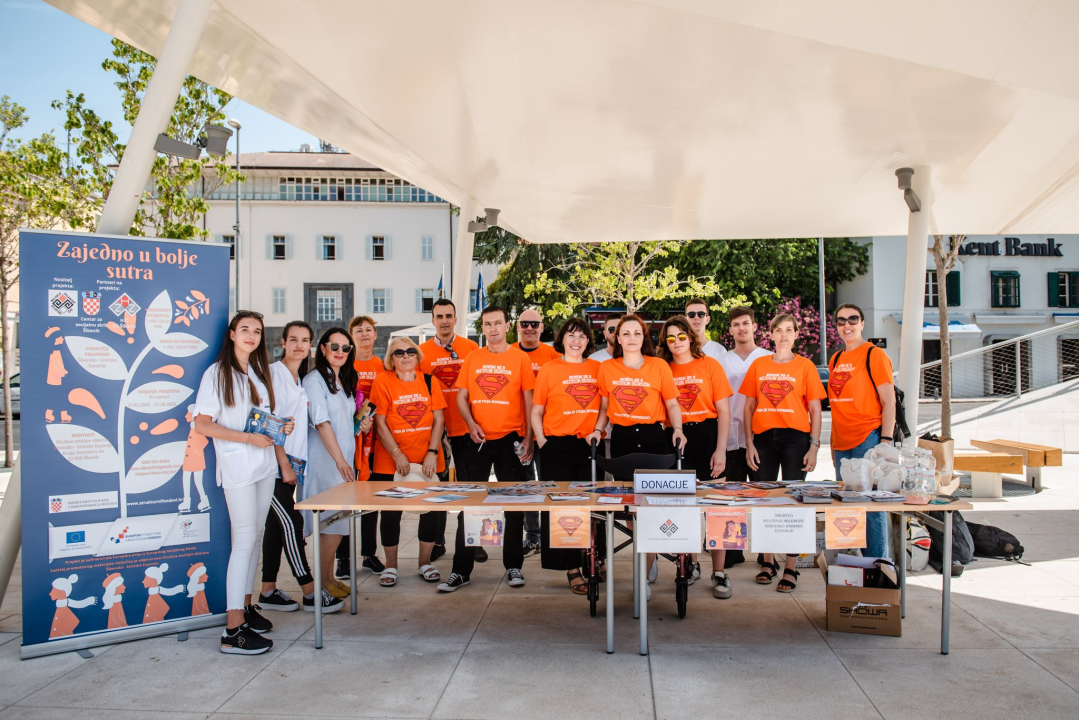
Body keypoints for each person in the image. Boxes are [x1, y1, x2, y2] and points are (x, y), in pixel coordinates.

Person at [194, 310, 292, 655]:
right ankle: (232, 629)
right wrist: (247, 440)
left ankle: (247, 609)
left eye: (257, 331)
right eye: (245, 329)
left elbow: (259, 421)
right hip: (237, 469)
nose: (252, 335)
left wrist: (279, 427)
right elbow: (202, 424)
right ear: (232, 334)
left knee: (257, 538)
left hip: (263, 467)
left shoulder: (258, 373)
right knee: (244, 541)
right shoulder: (217, 373)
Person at [437, 306, 536, 592]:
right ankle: (460, 571)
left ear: (508, 326)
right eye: (487, 324)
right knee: (470, 505)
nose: (492, 328)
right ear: (483, 328)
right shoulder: (473, 358)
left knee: (514, 506)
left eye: (497, 323)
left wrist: (528, 437)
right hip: (478, 439)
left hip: (511, 438)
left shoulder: (519, 358)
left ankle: (514, 566)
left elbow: (529, 401)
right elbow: (461, 397)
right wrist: (469, 423)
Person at [587, 314, 685, 597]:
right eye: (625, 333)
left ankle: (644, 569)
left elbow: (672, 404)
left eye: (637, 333)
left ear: (645, 337)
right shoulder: (607, 368)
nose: (631, 338)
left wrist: (677, 429)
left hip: (654, 438)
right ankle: (646, 554)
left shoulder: (659, 366)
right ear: (617, 338)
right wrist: (597, 430)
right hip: (624, 440)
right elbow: (605, 409)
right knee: (632, 507)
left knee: (652, 508)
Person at [258, 321, 344, 615]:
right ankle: (310, 592)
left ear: (310, 346)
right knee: (292, 526)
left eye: (304, 340)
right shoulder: (274, 374)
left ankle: (267, 590)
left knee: (274, 528)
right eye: (293, 339)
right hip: (273, 466)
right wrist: (284, 465)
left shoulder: (298, 379)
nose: (299, 345)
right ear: (282, 342)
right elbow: (270, 422)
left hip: (290, 466)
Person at [740, 313, 826, 594]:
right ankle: (766, 561)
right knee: (763, 500)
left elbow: (815, 410)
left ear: (797, 334)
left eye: (789, 330)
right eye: (779, 330)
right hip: (763, 438)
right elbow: (748, 407)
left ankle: (790, 565)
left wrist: (814, 446)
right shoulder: (759, 364)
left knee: (792, 502)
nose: (784, 335)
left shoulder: (806, 366)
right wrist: (749, 444)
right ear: (771, 335)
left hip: (795, 438)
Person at [658, 315, 733, 597]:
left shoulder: (710, 365)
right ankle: (690, 566)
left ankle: (720, 572)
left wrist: (721, 450)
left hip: (707, 434)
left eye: (681, 336)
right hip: (676, 439)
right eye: (670, 338)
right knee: (685, 509)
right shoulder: (661, 368)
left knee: (717, 508)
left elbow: (724, 412)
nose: (676, 342)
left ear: (691, 337)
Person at [531, 317, 603, 594]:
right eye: (571, 335)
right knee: (561, 509)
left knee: (590, 507)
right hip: (555, 447)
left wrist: (597, 430)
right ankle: (571, 568)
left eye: (582, 336)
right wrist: (541, 441)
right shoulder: (549, 369)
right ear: (562, 339)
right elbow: (537, 410)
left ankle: (592, 559)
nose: (576, 341)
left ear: (588, 342)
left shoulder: (598, 368)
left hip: (588, 446)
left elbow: (605, 407)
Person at [370, 336, 447, 586]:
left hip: (427, 459)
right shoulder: (383, 381)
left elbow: (438, 420)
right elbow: (379, 422)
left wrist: (432, 453)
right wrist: (396, 453)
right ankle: (391, 566)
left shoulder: (429, 381)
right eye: (399, 352)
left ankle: (425, 562)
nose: (405, 356)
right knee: (391, 514)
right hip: (390, 460)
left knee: (429, 512)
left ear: (417, 355)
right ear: (391, 359)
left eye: (410, 352)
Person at [828, 303, 897, 560]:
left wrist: (885, 442)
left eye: (853, 319)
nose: (847, 325)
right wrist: (834, 444)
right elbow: (836, 406)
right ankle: (849, 566)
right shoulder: (836, 358)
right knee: (844, 506)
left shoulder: (873, 355)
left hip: (868, 437)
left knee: (870, 506)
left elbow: (888, 401)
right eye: (841, 321)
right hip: (842, 442)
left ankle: (877, 566)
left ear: (862, 323)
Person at [298, 328, 360, 598]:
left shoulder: (341, 379)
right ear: (322, 348)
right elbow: (321, 422)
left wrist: (360, 424)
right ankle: (321, 583)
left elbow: (343, 423)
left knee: (337, 523)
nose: (340, 352)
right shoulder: (314, 379)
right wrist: (340, 461)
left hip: (343, 461)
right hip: (327, 463)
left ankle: (328, 578)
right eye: (334, 346)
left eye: (346, 348)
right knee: (331, 522)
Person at [419, 298, 481, 562]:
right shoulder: (420, 353)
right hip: (436, 432)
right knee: (438, 489)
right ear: (432, 321)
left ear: (456, 319)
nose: (444, 320)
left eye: (449, 315)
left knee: (471, 487)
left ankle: (474, 541)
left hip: (466, 428)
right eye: (439, 316)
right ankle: (438, 542)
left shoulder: (471, 348)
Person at [513, 308, 560, 557]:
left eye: (534, 324)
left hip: (546, 432)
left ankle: (552, 536)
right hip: (517, 431)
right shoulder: (508, 353)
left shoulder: (553, 356)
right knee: (526, 486)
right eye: (524, 323)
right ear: (517, 326)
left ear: (542, 327)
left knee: (548, 483)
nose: (529, 328)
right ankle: (532, 537)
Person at [719, 307, 772, 483]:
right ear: (730, 330)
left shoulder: (769, 358)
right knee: (734, 494)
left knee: (763, 492)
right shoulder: (722, 361)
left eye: (745, 323)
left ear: (754, 326)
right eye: (736, 324)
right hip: (732, 437)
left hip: (762, 437)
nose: (741, 328)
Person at [347, 315, 382, 579]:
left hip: (376, 441)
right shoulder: (345, 363)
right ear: (351, 336)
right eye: (359, 331)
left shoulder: (382, 365)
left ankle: (370, 554)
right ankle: (342, 557)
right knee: (345, 499)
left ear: (375, 335)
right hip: (349, 440)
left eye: (368, 330)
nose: (364, 334)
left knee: (372, 498)